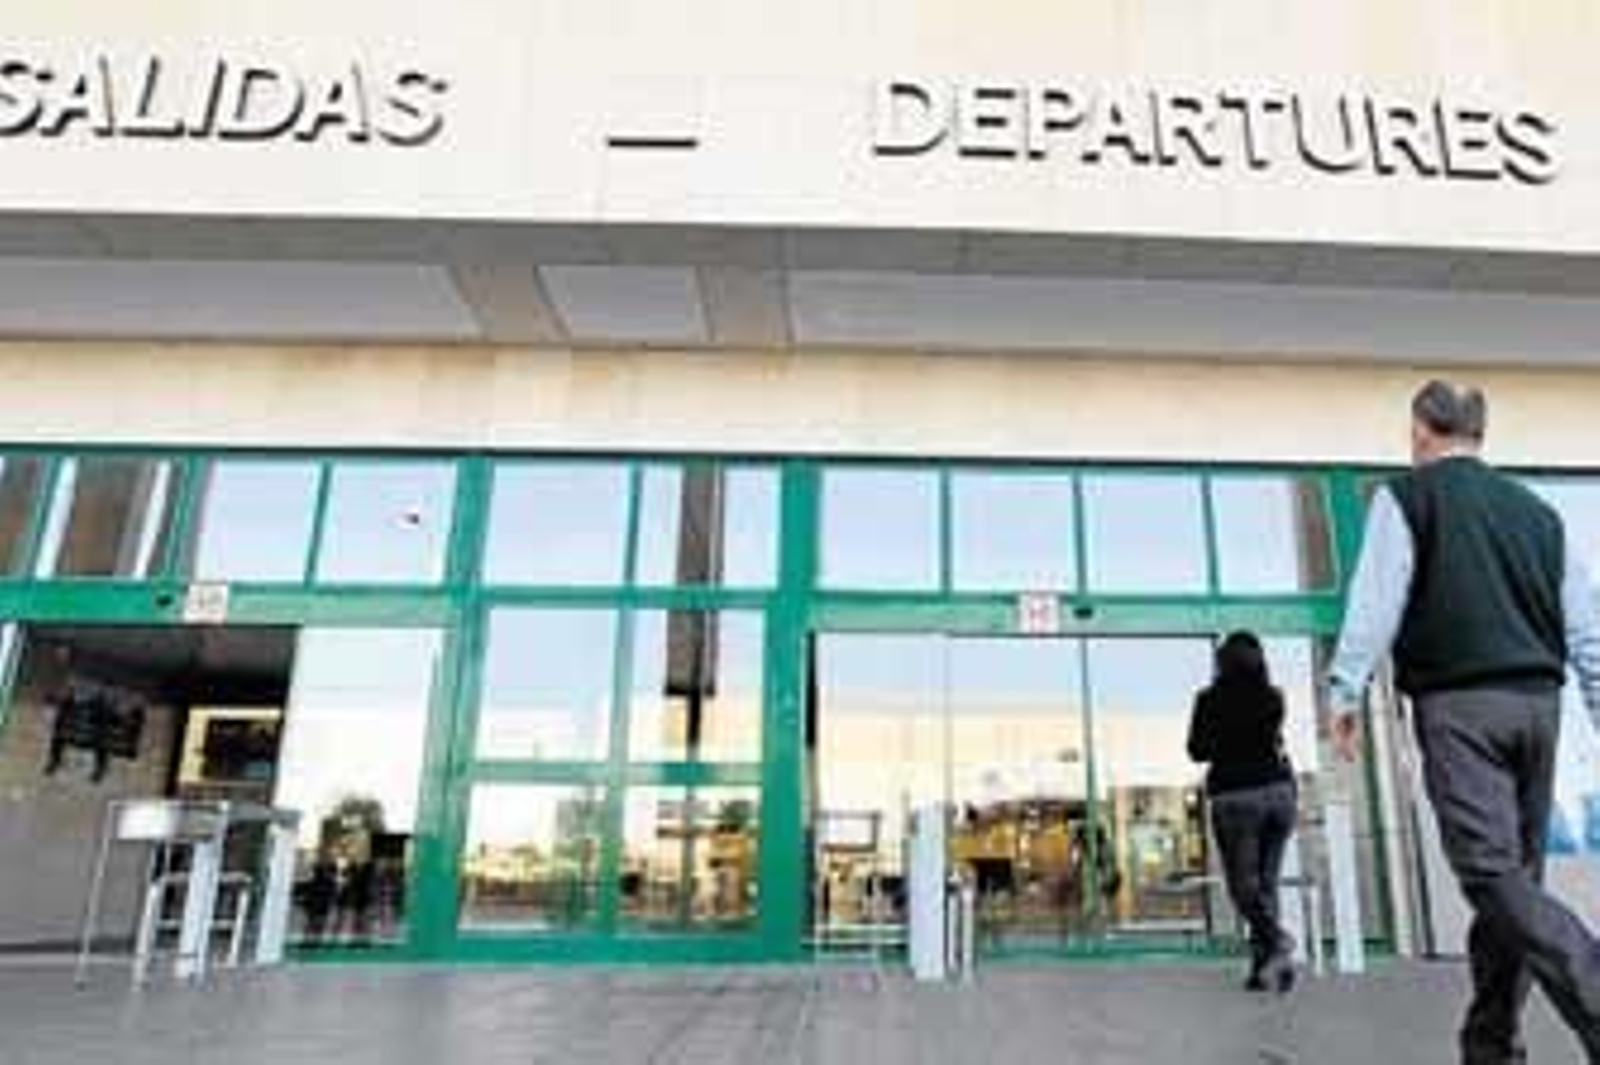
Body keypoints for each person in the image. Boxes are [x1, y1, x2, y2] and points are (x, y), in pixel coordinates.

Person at [1329, 379, 1600, 1063]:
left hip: (1460, 707)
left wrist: (1343, 690)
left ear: (1421, 429)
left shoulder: (1407, 497)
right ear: (1479, 434)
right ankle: (1490, 1043)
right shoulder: (1539, 513)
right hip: (1540, 707)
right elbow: (1588, 627)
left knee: (1489, 875)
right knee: (1513, 885)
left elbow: (1375, 600)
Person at [1188, 630, 1298, 993]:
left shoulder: (1208, 700)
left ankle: (1277, 940)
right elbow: (1270, 740)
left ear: (1222, 662)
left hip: (1237, 797)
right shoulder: (1274, 698)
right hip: (1279, 794)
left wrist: (1222, 738)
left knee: (1243, 887)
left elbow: (1197, 750)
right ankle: (1268, 970)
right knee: (1266, 884)